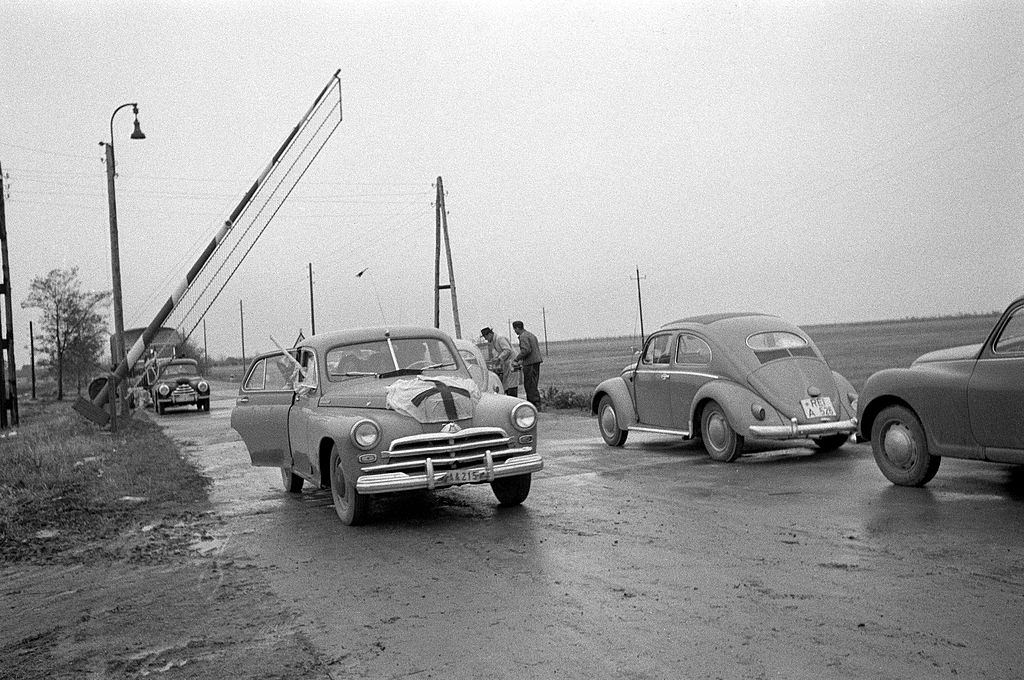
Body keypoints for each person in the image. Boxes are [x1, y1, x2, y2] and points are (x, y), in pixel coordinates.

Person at [480, 327, 521, 397]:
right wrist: (496, 358)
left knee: (512, 383)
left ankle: (513, 399)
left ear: (489, 334)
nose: (486, 339)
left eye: (485, 337)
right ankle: (509, 398)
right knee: (507, 383)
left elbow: (507, 350)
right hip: (507, 363)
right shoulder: (495, 341)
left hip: (513, 362)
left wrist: (499, 358)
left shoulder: (500, 338)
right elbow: (501, 351)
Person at [512, 320, 543, 409]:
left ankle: (534, 405)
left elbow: (526, 350)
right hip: (535, 362)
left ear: (517, 328)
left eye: (515, 329)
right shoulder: (530, 335)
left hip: (530, 364)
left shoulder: (523, 337)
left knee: (529, 385)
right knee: (533, 383)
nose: (515, 331)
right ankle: (536, 404)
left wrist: (516, 359)